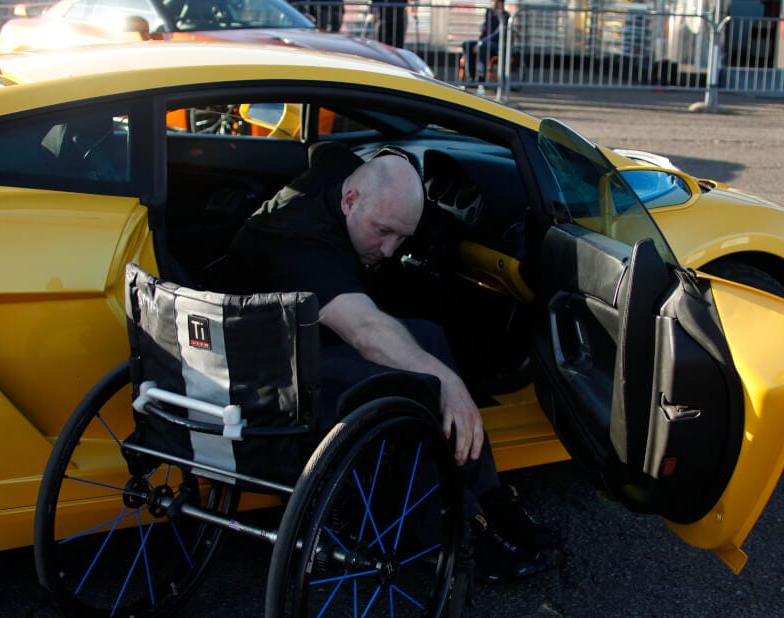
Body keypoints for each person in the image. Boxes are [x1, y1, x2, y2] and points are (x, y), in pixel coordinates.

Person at [224, 142, 558, 583]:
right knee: (412, 388)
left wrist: (401, 162)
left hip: (284, 344)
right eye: (382, 231)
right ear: (350, 200)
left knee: (429, 337)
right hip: (261, 377)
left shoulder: (339, 174)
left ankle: (492, 500)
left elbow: (334, 150)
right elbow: (365, 331)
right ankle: (448, 535)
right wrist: (450, 384)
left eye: (401, 237)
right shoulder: (298, 240)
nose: (388, 248)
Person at [462, 0, 510, 82]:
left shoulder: (506, 16)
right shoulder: (489, 12)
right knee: (467, 45)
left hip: (497, 44)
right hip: (484, 41)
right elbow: (486, 29)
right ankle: (471, 76)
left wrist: (481, 42)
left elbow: (497, 34)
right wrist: (481, 38)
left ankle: (482, 75)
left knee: (482, 46)